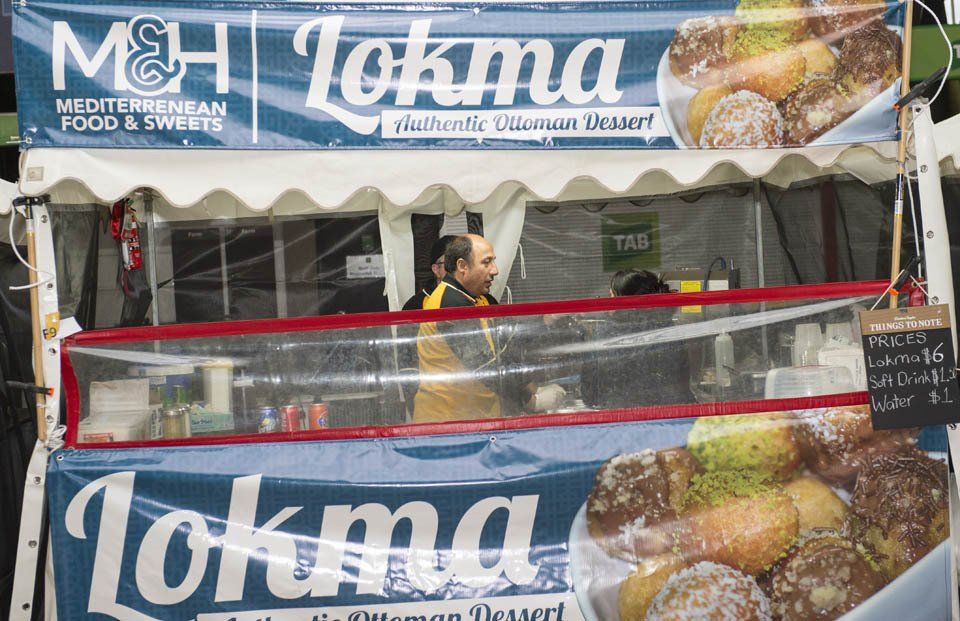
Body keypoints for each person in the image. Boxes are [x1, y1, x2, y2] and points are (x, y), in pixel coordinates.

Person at [413, 234, 565, 423]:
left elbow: (501, 348)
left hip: (470, 416)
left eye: (493, 262)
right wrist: (530, 401)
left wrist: (531, 387)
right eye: (487, 263)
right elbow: (484, 367)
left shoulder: (472, 299)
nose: (495, 270)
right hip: (450, 421)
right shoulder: (451, 304)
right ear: (462, 266)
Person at [581, 269, 695, 409]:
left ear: (623, 300)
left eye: (611, 295)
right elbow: (682, 384)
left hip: (624, 422)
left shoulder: (605, 334)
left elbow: (590, 395)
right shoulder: (670, 330)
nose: (607, 301)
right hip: (671, 419)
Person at [402, 234, 457, 311]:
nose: (459, 269)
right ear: (436, 269)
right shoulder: (415, 306)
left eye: (463, 263)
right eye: (451, 263)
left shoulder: (475, 298)